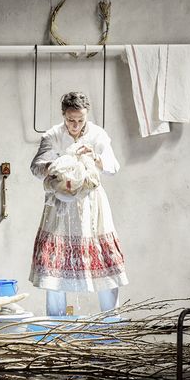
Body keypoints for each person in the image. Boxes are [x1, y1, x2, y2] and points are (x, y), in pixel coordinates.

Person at [29, 91, 128, 316]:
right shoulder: (52, 135)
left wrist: (95, 158)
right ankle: (56, 324)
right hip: (61, 207)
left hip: (92, 206)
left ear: (86, 116)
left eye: (80, 120)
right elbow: (35, 167)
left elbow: (113, 167)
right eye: (70, 120)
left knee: (104, 260)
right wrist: (57, 166)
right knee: (55, 266)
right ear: (63, 115)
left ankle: (111, 323)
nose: (75, 125)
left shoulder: (97, 134)